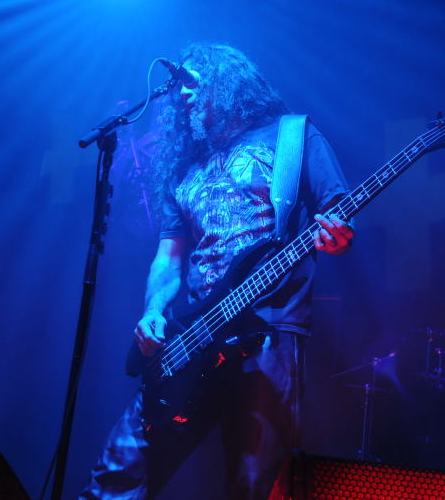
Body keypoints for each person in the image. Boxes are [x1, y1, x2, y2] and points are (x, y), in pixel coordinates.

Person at [81, 43, 354, 500]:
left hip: (268, 332)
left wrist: (340, 236)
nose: (182, 93)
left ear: (226, 80)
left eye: (191, 81)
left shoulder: (293, 136)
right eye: (179, 86)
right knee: (117, 474)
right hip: (192, 337)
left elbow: (338, 212)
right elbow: (169, 257)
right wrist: (153, 311)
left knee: (253, 486)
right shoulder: (184, 165)